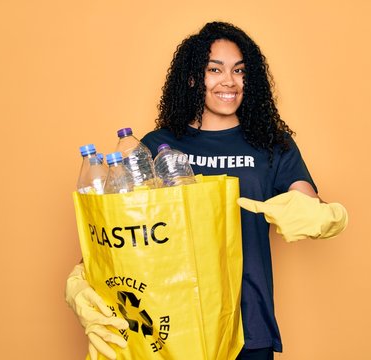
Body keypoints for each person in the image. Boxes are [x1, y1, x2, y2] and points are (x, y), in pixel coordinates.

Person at [65, 21, 348, 360]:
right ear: (191, 79)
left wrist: (322, 215)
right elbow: (124, 228)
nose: (228, 81)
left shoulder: (272, 144)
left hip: (247, 322)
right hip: (174, 325)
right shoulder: (155, 146)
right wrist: (82, 277)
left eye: (239, 71)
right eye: (214, 69)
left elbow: (308, 202)